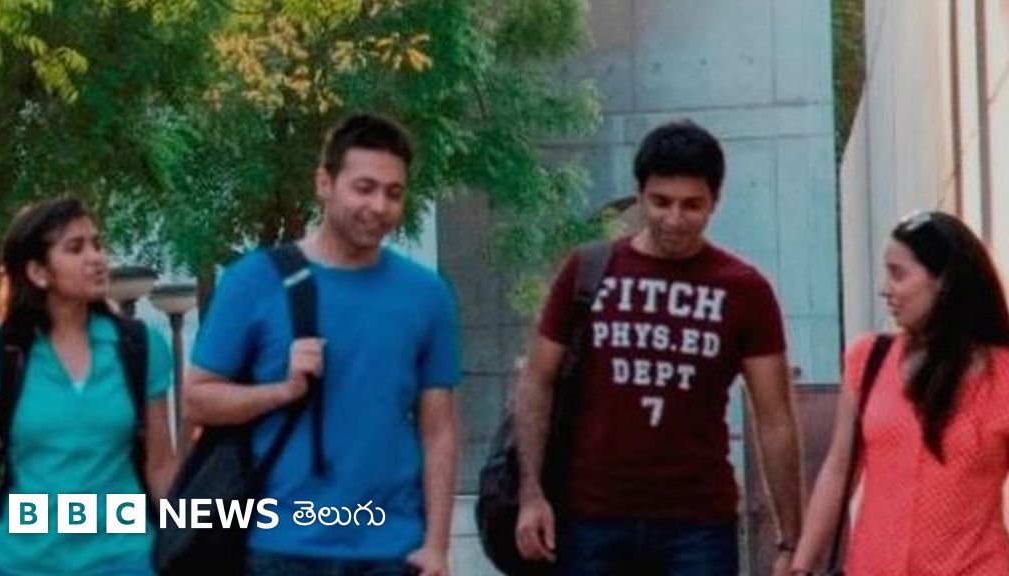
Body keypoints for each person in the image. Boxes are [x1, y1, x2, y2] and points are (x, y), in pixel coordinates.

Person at [514, 119, 803, 575]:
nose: (674, 219)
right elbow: (536, 382)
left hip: (698, 522)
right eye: (661, 202)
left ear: (715, 201)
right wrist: (531, 494)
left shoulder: (745, 290)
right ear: (640, 194)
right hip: (592, 516)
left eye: (692, 205)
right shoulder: (587, 271)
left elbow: (775, 417)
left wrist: (791, 539)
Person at [185, 114, 461, 576]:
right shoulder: (253, 281)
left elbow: (439, 429)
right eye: (364, 188)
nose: (379, 206)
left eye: (394, 193)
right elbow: (197, 399)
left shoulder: (427, 295)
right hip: (278, 546)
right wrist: (280, 391)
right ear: (324, 184)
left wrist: (437, 546)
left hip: (392, 548)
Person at [790, 211, 1009, 575]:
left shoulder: (1001, 375)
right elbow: (839, 469)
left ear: (944, 282)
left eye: (898, 274)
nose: (885, 289)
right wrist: (801, 565)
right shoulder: (869, 359)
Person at [0, 197, 178, 575]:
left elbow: (161, 464)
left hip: (124, 559)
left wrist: (184, 545)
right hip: (20, 561)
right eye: (76, 248)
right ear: (38, 272)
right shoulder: (1, 351)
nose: (96, 258)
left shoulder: (139, 346)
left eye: (97, 244)